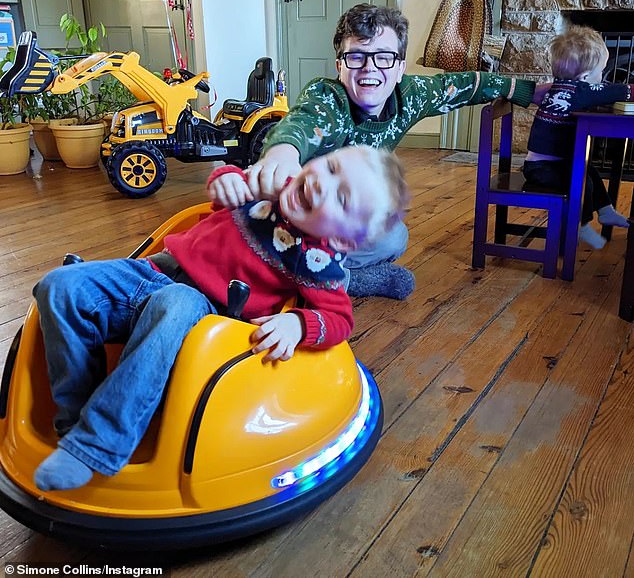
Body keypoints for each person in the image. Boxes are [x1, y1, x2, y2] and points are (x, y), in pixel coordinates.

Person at [32, 144, 409, 492]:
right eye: (329, 167)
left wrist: (298, 323)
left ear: (343, 240)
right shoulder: (276, 185)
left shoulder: (318, 262)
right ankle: (74, 420)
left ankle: (97, 444)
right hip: (156, 269)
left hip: (204, 309)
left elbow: (340, 319)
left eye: (341, 198)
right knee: (61, 285)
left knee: (174, 301)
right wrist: (225, 178)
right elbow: (229, 183)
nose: (320, 184)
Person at [210, 3, 543, 300]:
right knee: (248, 232)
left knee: (393, 237)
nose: (370, 68)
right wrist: (281, 154)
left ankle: (315, 276)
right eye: (356, 56)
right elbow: (303, 122)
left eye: (384, 57)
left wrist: (526, 91)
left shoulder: (410, 95)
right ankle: (324, 279)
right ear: (339, 65)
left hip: (329, 224)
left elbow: (466, 85)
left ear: (399, 68)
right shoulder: (328, 97)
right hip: (286, 214)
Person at [522, 25, 634, 249]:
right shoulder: (580, 90)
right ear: (584, 77)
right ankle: (580, 225)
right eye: (600, 72)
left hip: (543, 164)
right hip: (542, 169)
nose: (601, 78)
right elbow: (619, 91)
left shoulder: (557, 86)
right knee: (582, 181)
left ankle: (606, 211)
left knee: (589, 170)